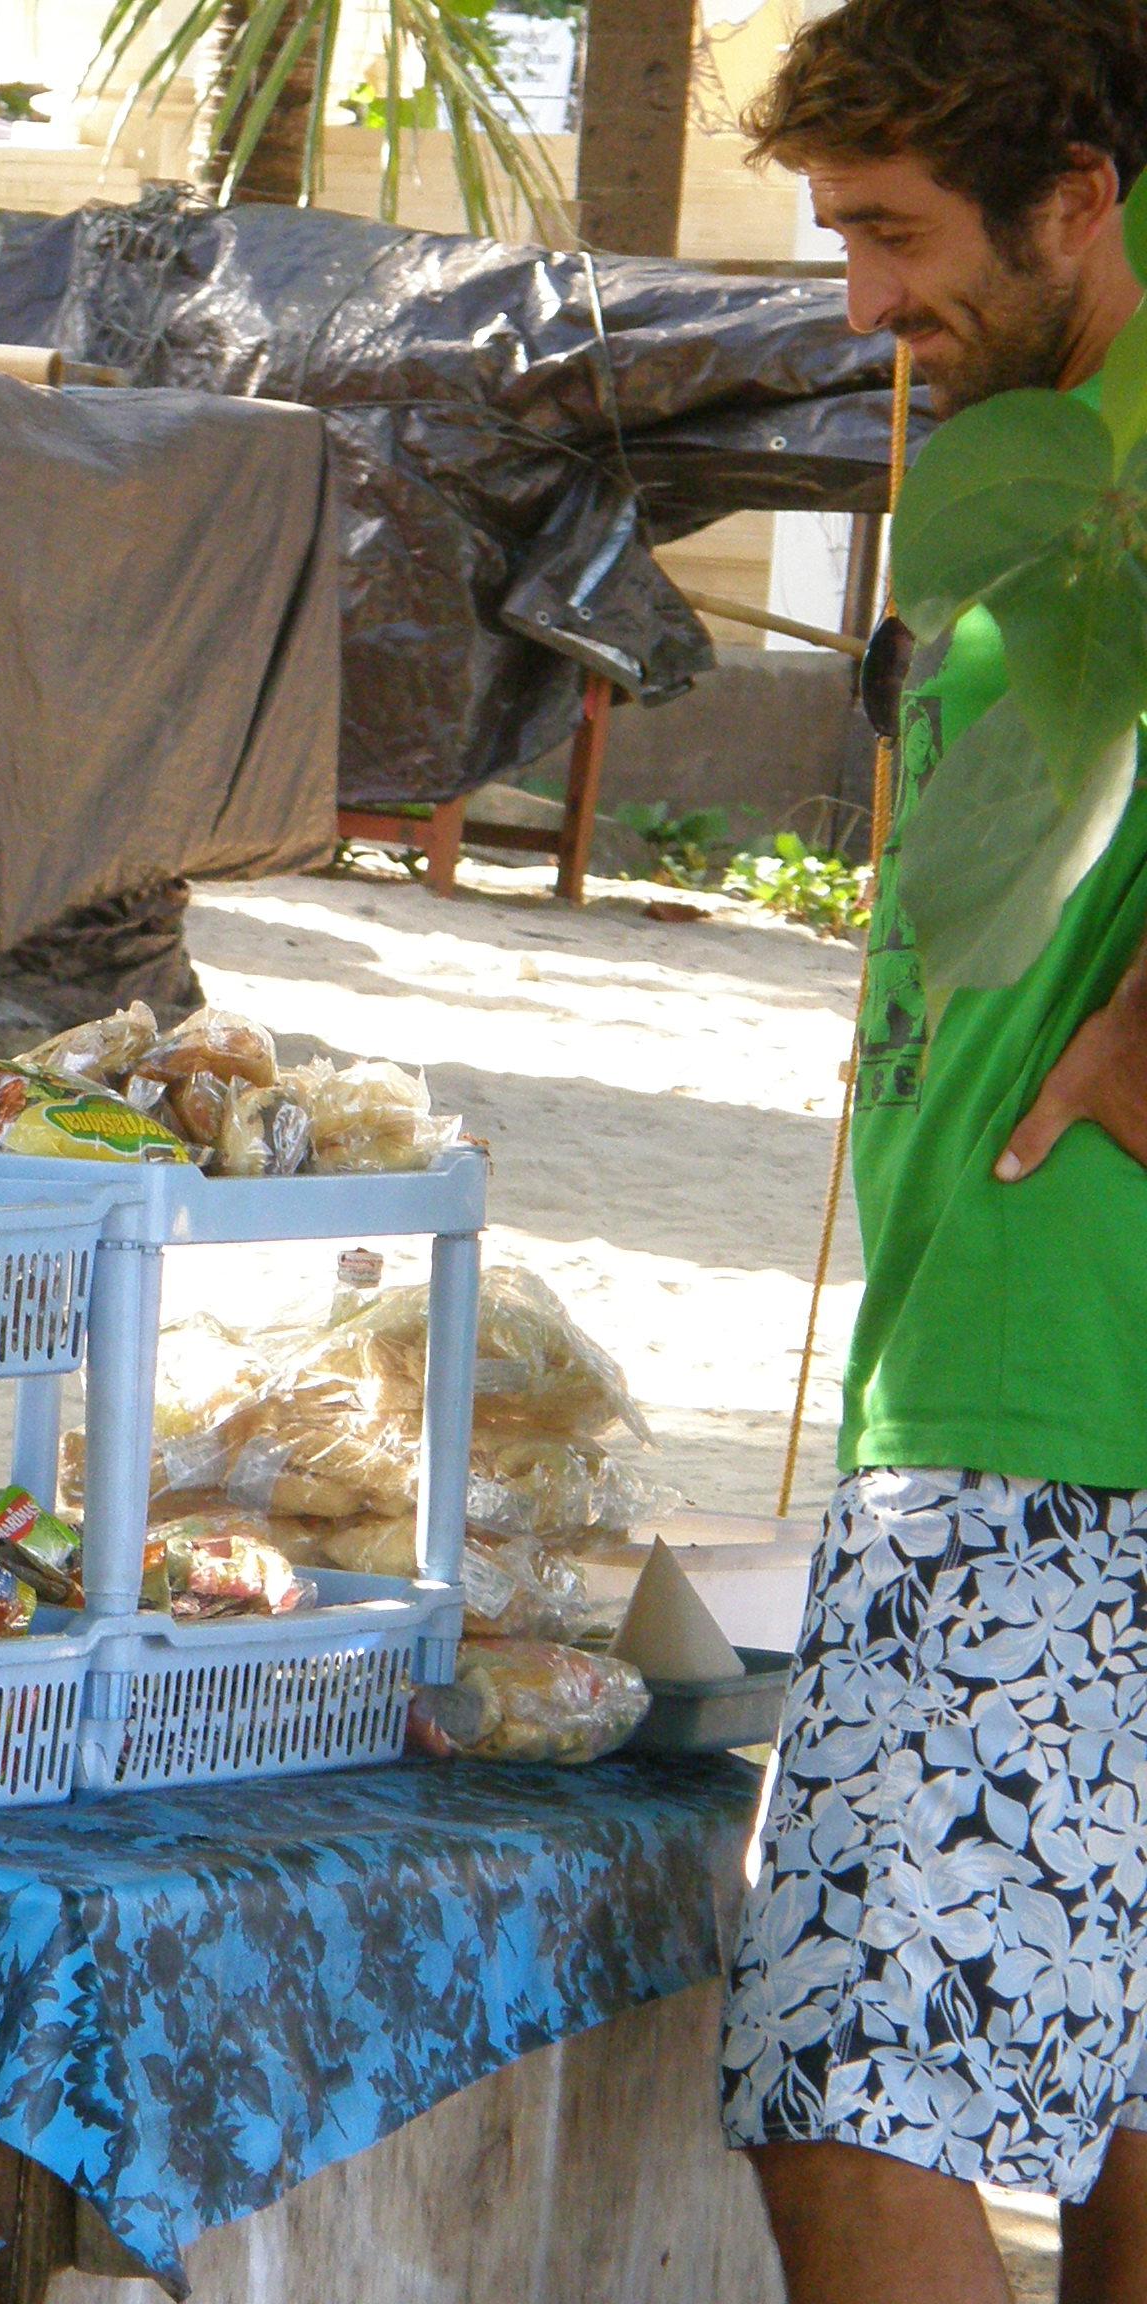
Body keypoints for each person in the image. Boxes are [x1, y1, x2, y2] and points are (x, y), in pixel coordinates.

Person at [723, 10, 1147, 2300]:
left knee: (849, 2104)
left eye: (892, 234)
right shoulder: (1069, 413)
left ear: (1074, 197)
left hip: (1032, 1403)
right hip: (1040, 1378)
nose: (862, 300)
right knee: (1112, 2107)